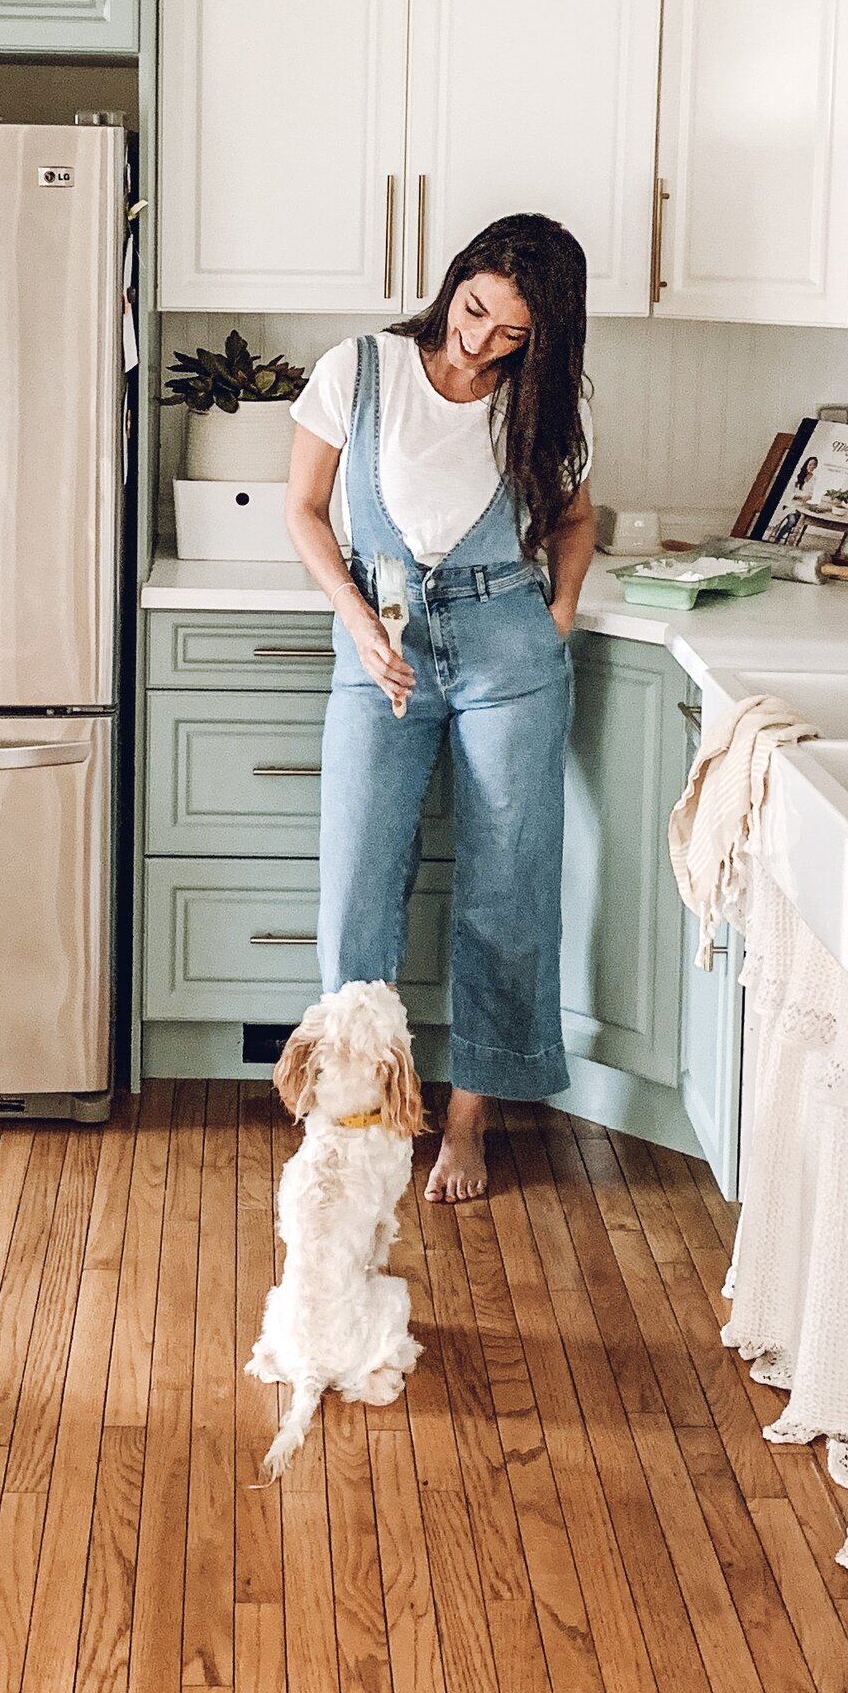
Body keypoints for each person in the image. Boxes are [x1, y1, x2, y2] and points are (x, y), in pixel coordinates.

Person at [282, 213, 594, 1202]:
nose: (479, 343)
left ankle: (467, 1123)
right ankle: (355, 1115)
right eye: (473, 312)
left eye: (511, 333)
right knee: (358, 888)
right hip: (383, 644)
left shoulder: (545, 406)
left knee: (508, 892)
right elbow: (302, 509)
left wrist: (559, 612)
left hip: (508, 643)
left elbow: (578, 522)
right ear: (454, 282)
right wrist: (356, 622)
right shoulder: (358, 370)